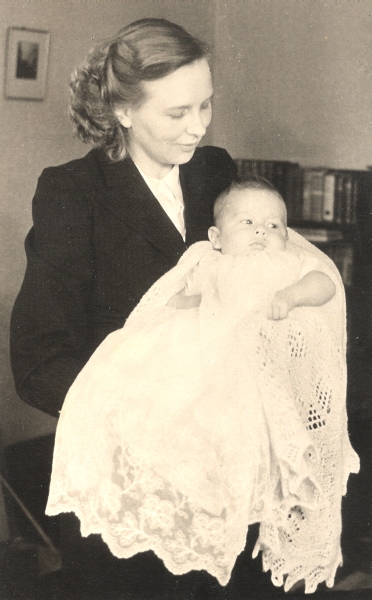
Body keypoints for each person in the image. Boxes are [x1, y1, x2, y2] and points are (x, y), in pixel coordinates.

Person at [9, 18, 237, 599]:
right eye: (178, 113)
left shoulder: (216, 173)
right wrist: (143, 408)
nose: (199, 127)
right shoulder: (73, 193)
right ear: (124, 111)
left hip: (214, 470)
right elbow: (38, 362)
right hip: (120, 484)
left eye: (205, 105)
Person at [46, 178, 359, 595]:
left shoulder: (289, 264)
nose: (263, 233)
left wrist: (293, 295)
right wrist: (179, 309)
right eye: (249, 222)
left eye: (275, 225)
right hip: (206, 355)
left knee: (238, 429)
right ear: (216, 237)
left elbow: (326, 284)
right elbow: (179, 297)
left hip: (254, 370)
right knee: (182, 403)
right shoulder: (209, 262)